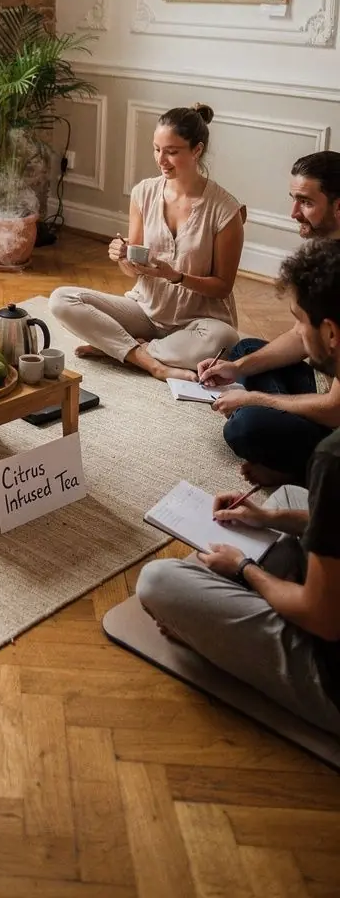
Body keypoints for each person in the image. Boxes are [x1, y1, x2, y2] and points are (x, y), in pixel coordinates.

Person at [136, 239, 340, 736]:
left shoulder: (332, 457)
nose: (295, 331)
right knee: (289, 500)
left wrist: (245, 570)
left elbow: (323, 618)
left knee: (159, 584)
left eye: (298, 321)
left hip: (330, 671)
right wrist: (269, 520)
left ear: (330, 332)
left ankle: (213, 621)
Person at [50, 105, 243, 379]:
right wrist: (123, 257)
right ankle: (152, 362)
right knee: (61, 299)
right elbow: (134, 270)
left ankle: (122, 348)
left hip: (198, 324)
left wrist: (176, 276)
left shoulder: (225, 209)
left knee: (225, 340)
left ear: (197, 150)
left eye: (172, 152)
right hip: (145, 310)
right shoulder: (144, 193)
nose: (161, 159)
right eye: (156, 149)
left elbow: (223, 287)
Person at [199, 152, 340, 486]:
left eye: (305, 202)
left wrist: (254, 399)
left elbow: (335, 410)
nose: (293, 213)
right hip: (328, 387)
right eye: (294, 200)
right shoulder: (327, 256)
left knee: (244, 426)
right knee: (245, 349)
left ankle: (305, 472)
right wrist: (239, 369)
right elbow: (301, 334)